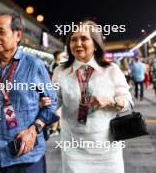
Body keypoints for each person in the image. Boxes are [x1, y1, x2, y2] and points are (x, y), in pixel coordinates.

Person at [0, 11, 59, 173]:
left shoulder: (34, 66)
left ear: (17, 35)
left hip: (25, 156)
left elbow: (51, 103)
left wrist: (34, 130)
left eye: (1, 32)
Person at [52, 20, 133, 173]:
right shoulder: (60, 72)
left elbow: (128, 103)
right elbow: (54, 104)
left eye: (84, 38)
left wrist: (110, 101)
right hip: (73, 148)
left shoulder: (111, 70)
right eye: (73, 39)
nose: (78, 43)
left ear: (95, 44)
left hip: (107, 148)